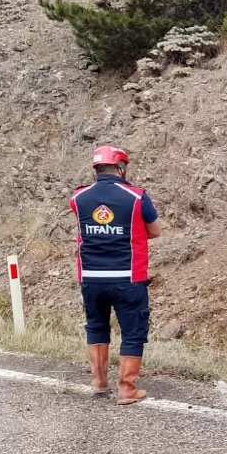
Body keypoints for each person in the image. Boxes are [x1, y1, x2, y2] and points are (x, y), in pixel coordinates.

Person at [69, 145, 161, 405]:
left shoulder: (79, 198)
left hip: (90, 278)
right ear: (121, 167)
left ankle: (99, 383)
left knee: (96, 326)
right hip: (127, 277)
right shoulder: (136, 197)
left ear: (96, 168)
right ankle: (127, 389)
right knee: (133, 331)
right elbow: (154, 230)